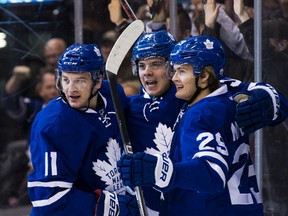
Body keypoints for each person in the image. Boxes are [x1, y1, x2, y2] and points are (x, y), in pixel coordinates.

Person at [123, 29, 288, 215]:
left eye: (156, 64)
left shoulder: (204, 98)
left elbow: (211, 172)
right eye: (142, 66)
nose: (148, 73)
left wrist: (269, 101)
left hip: (210, 204)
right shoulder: (134, 107)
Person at [27, 43, 139, 215]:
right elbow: (50, 200)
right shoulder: (53, 125)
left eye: (80, 80)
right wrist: (108, 206)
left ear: (98, 80)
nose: (71, 89)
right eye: (66, 79)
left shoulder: (113, 94)